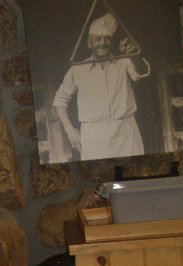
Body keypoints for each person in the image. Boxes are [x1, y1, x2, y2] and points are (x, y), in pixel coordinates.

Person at [53, 12, 151, 161]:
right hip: (94, 137)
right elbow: (60, 100)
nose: (102, 43)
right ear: (89, 43)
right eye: (97, 39)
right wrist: (70, 130)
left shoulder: (123, 62)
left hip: (126, 133)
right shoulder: (78, 69)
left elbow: (142, 72)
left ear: (111, 42)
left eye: (107, 39)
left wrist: (133, 55)